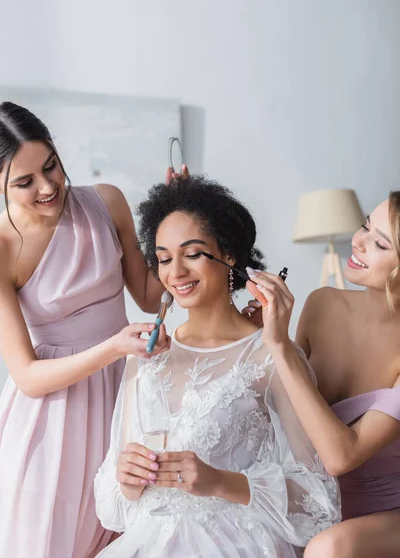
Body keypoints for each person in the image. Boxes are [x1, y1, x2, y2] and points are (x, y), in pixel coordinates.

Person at [94, 175, 341, 558]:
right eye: (162, 258)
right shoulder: (143, 356)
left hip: (236, 544)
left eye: (192, 253)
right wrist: (127, 480)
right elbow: (113, 508)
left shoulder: (270, 355)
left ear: (228, 254)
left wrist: (221, 482)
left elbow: (319, 503)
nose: (174, 272)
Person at [0, 101, 184, 557]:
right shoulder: (2, 247)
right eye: (25, 182)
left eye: (52, 166)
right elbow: (26, 376)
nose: (48, 187)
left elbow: (146, 293)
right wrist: (114, 347)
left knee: (132, 536)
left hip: (127, 396)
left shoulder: (106, 201)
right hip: (54, 417)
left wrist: (172, 224)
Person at [244, 192, 400, 557]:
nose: (357, 241)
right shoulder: (323, 303)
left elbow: (339, 457)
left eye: (379, 243)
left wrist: (280, 345)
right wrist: (258, 337)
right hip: (313, 501)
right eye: (364, 226)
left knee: (329, 548)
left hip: (386, 515)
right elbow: (286, 408)